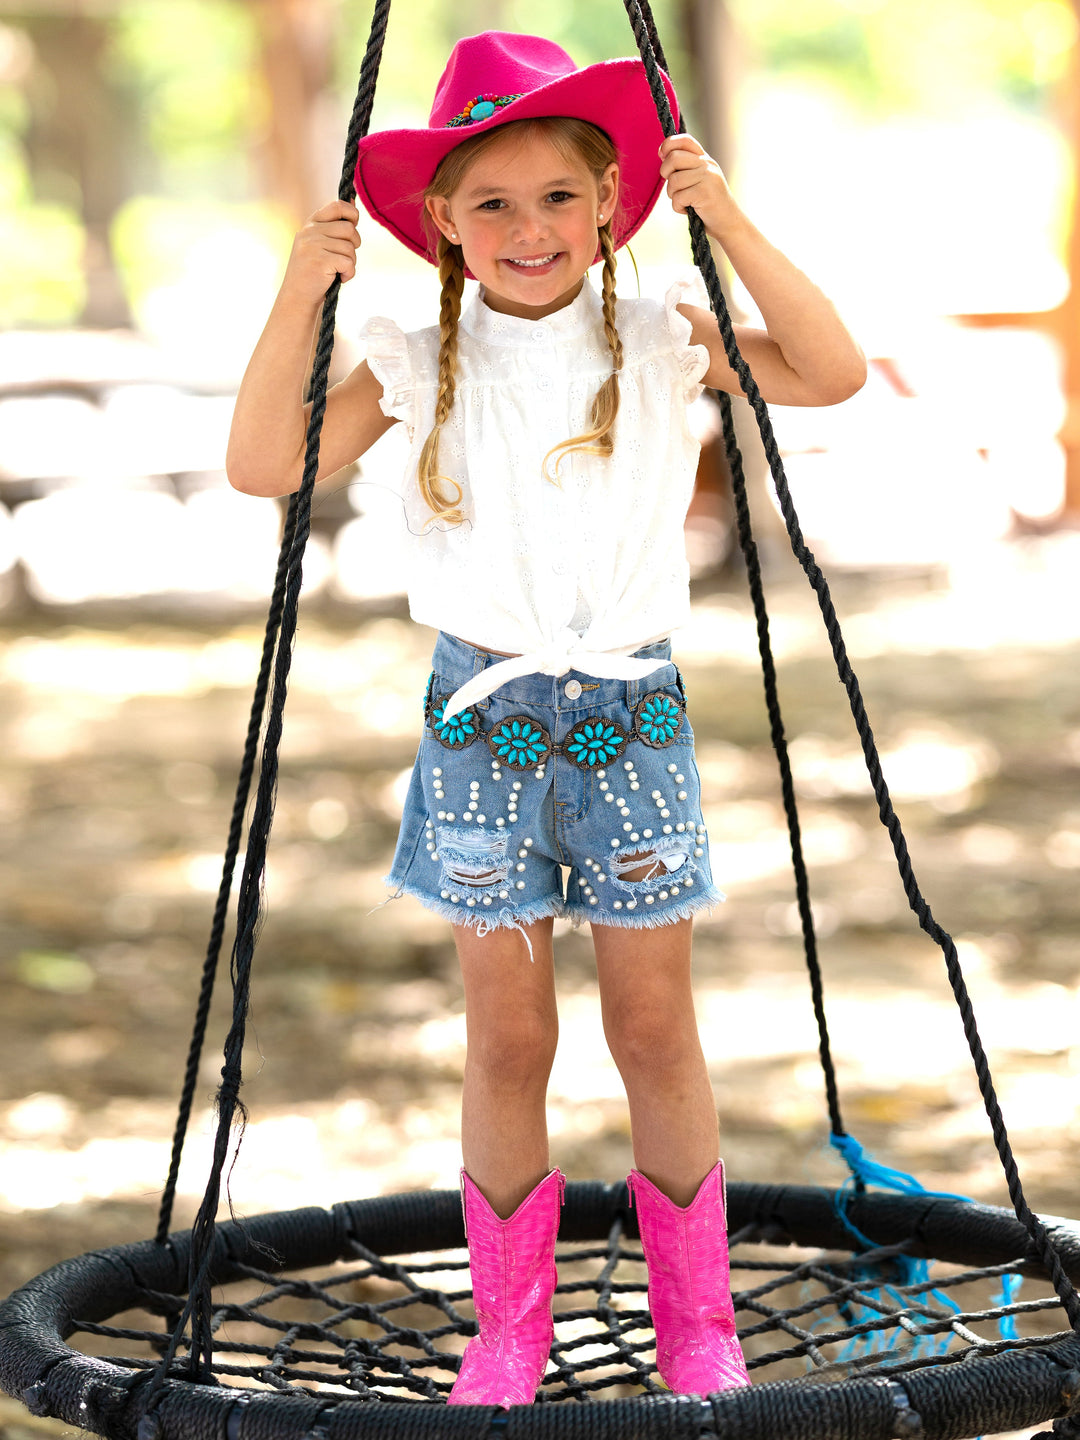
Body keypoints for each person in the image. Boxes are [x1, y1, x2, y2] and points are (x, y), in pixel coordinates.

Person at [227, 29, 865, 1408]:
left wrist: (727, 219)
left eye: (560, 196)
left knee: (655, 1026)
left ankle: (697, 1323)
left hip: (632, 713)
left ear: (612, 201)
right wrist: (299, 290)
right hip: (483, 720)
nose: (531, 229)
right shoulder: (412, 357)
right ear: (444, 224)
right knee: (509, 1039)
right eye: (495, 204)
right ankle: (510, 1329)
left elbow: (829, 371)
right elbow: (263, 464)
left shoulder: (663, 334)